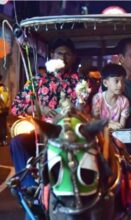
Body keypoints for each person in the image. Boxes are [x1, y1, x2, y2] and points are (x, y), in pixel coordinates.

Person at [10, 38, 80, 187]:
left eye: (67, 54)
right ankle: (29, 187)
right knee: (17, 142)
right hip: (42, 135)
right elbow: (16, 107)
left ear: (73, 58)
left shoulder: (79, 82)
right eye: (59, 53)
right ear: (52, 55)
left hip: (69, 134)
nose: (63, 57)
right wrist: (38, 108)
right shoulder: (37, 81)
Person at [92, 63, 129, 130]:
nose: (120, 85)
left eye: (123, 81)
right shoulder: (98, 99)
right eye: (116, 81)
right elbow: (95, 122)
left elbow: (121, 126)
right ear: (105, 83)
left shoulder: (124, 101)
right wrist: (109, 125)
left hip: (117, 134)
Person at [0, 74, 9, 146]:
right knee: (3, 125)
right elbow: (7, 98)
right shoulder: (5, 88)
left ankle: (3, 140)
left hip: (2, 110)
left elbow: (3, 99)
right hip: (4, 110)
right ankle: (3, 140)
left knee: (2, 126)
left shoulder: (2, 88)